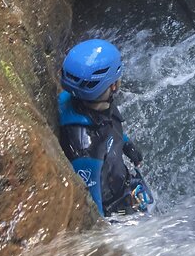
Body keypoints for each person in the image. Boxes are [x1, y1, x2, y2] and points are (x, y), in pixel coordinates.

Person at [58, 39, 149, 216]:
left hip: (119, 180)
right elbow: (92, 203)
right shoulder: (86, 148)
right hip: (112, 206)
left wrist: (126, 145)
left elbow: (109, 125)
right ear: (113, 85)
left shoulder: (97, 104)